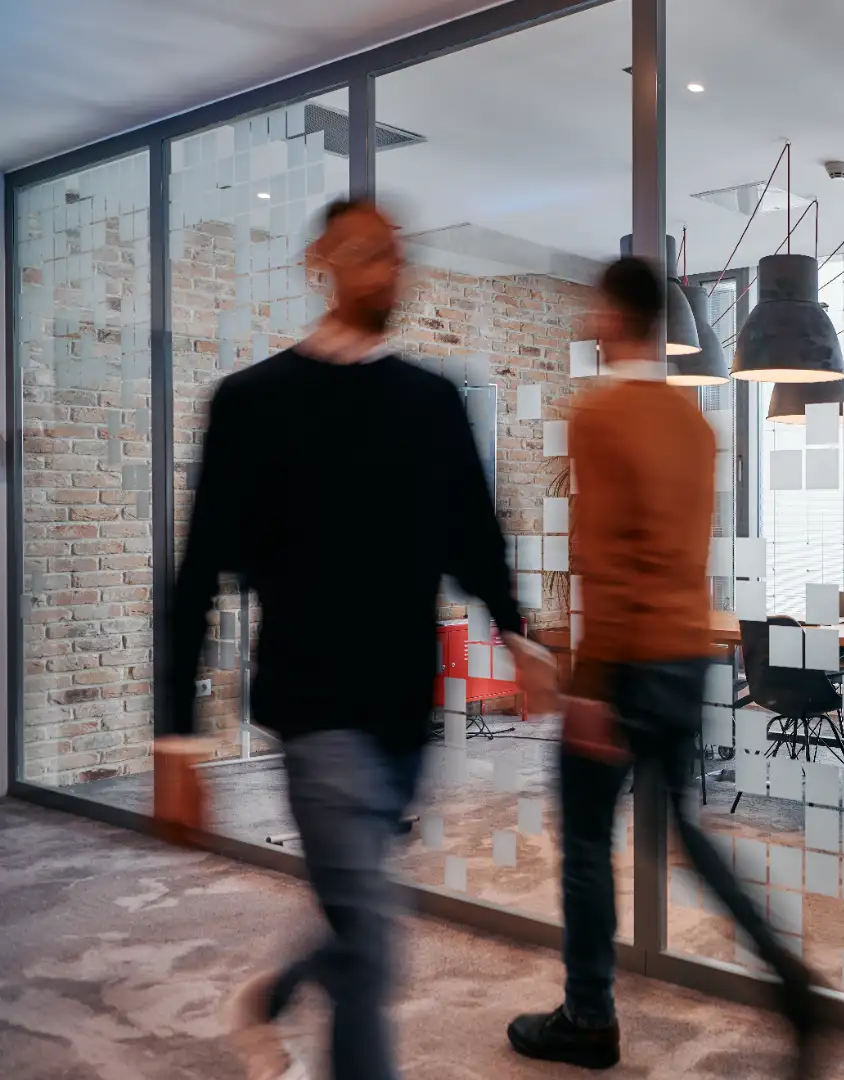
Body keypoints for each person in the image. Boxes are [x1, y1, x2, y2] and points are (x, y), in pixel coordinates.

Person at [152, 198, 556, 1080]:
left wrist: (519, 638)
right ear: (322, 262)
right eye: (368, 251)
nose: (387, 268)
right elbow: (198, 573)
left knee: (356, 904)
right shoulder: (253, 404)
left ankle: (271, 994)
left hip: (406, 708)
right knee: (372, 946)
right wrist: (176, 738)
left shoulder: (432, 401)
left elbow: (475, 536)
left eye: (396, 252)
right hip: (314, 708)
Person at [505, 256, 820, 1074]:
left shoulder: (600, 415)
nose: (590, 323)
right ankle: (790, 981)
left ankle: (588, 1016)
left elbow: (606, 559)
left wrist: (588, 686)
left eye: (596, 311)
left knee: (583, 838)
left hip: (626, 663)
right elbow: (679, 554)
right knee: (682, 828)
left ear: (615, 317)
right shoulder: (695, 424)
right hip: (685, 655)